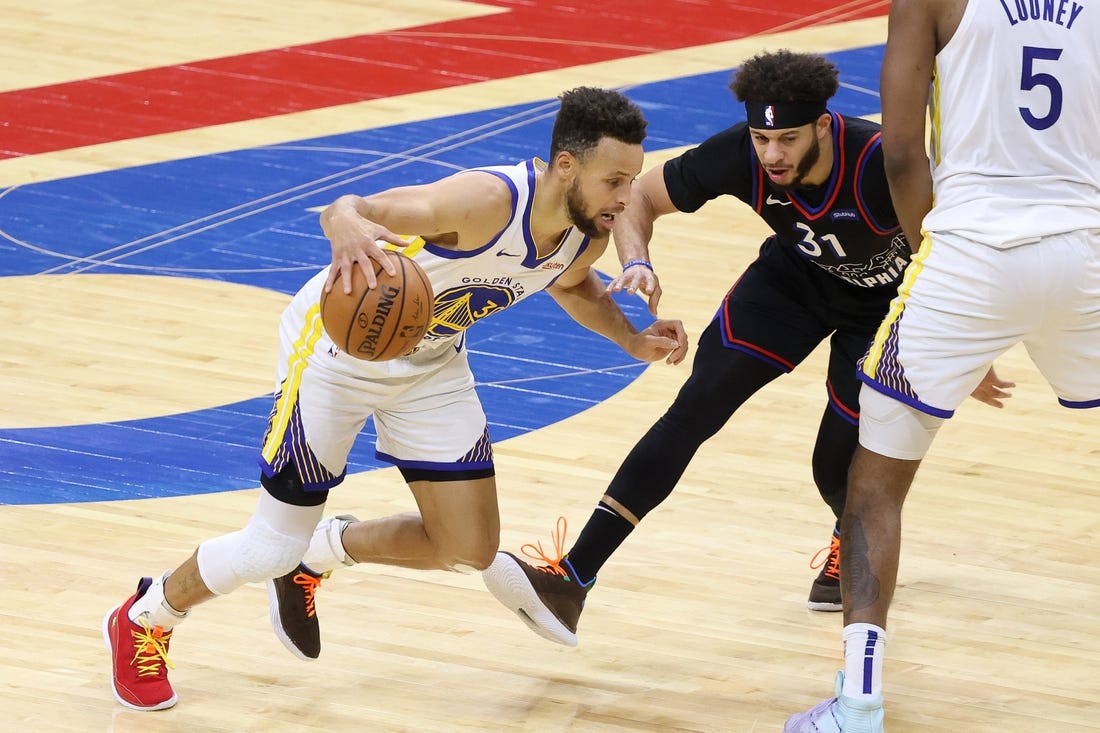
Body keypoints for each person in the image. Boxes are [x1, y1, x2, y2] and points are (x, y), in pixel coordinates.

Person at [103, 86, 689, 711]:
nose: (627, 198)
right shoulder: (485, 200)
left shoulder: (584, 235)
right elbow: (351, 208)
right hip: (333, 353)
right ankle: (148, 614)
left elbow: (572, 287)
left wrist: (630, 339)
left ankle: (321, 553)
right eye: (616, 180)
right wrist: (344, 222)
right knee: (268, 545)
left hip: (430, 364)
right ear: (567, 167)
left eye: (631, 180)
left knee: (469, 548)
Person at [478, 49, 1008, 647]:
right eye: (762, 137)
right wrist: (638, 262)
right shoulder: (740, 154)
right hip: (793, 285)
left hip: (885, 311)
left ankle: (851, 534)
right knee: (694, 407)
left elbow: (956, 253)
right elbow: (642, 200)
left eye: (787, 138)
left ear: (823, 125)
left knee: (834, 465)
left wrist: (967, 348)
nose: (772, 154)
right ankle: (572, 579)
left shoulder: (881, 163)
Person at [784, 0, 1100, 731]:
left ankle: (858, 702)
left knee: (874, 486)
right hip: (1085, 248)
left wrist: (943, 273)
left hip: (972, 251)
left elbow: (899, 153)